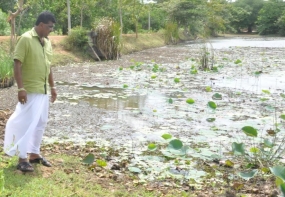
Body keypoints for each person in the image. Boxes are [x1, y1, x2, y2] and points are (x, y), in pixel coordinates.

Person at [3, 11, 57, 172]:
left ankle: (34, 154)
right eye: (49, 27)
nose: (51, 30)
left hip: (43, 90)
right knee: (25, 123)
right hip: (29, 89)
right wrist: (21, 88)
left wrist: (53, 87)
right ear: (41, 25)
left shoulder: (47, 42)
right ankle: (22, 158)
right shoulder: (26, 39)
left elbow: (48, 67)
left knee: (40, 122)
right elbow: (17, 64)